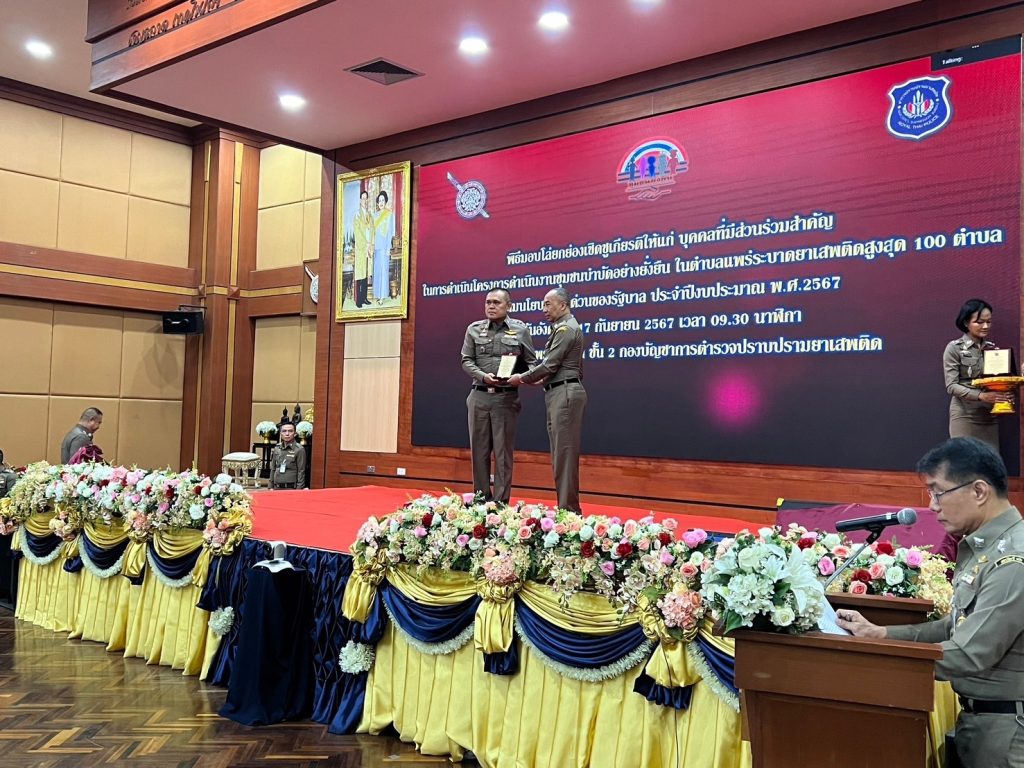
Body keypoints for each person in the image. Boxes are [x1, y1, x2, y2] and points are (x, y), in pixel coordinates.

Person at [836, 437, 1024, 768]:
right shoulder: (985, 545)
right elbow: (956, 626)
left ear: (979, 491)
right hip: (983, 722)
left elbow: (969, 652)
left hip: (1007, 732)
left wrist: (880, 662)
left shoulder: (1013, 561)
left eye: (938, 492)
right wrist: (882, 635)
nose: (933, 506)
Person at [509, 288, 586, 512]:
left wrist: (522, 378)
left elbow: (550, 364)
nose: (543, 309)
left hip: (565, 393)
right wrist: (538, 379)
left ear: (563, 305)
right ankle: (566, 508)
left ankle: (570, 512)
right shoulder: (563, 327)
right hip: (557, 391)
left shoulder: (566, 329)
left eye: (548, 304)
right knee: (560, 455)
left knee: (565, 455)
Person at [461, 287, 537, 504]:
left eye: (496, 302)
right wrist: (483, 376)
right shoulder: (474, 329)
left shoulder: (520, 330)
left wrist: (522, 377)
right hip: (479, 396)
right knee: (479, 452)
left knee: (503, 454)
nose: (491, 306)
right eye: (488, 302)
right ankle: (480, 502)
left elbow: (531, 363)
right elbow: (466, 360)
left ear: (508, 306)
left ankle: (500, 505)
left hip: (505, 398)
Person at [944, 299, 1013, 449]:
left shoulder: (993, 350)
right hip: (965, 415)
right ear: (966, 322)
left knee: (989, 460)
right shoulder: (954, 348)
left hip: (989, 415)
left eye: (989, 322)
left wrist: (1005, 394)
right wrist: (981, 396)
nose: (985, 326)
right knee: (965, 459)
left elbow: (999, 382)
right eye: (979, 322)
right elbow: (951, 386)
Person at [372, 190, 395, 304]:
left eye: (383, 200)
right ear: (377, 202)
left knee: (383, 271)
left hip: (384, 247)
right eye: (379, 200)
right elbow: (372, 232)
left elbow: (390, 233)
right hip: (376, 247)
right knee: (377, 271)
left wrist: (388, 249)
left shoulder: (390, 215)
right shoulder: (374, 215)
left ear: (385, 202)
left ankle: (382, 296)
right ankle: (377, 294)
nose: (381, 202)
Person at [352, 189, 373, 308]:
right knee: (360, 274)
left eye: (366, 198)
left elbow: (372, 230)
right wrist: (365, 244)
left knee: (366, 274)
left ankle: (364, 298)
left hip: (368, 248)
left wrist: (371, 244)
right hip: (361, 248)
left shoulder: (369, 215)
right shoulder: (357, 215)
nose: (365, 200)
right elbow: (357, 232)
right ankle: (358, 300)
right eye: (363, 198)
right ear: (360, 200)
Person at [269, 423, 306, 489]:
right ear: (281, 433)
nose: (287, 434)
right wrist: (270, 487)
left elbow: (301, 471)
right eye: (284, 431)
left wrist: (299, 489)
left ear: (295, 433)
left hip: (291, 488)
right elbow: (273, 468)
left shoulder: (299, 449)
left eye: (290, 431)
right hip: (276, 487)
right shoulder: (277, 448)